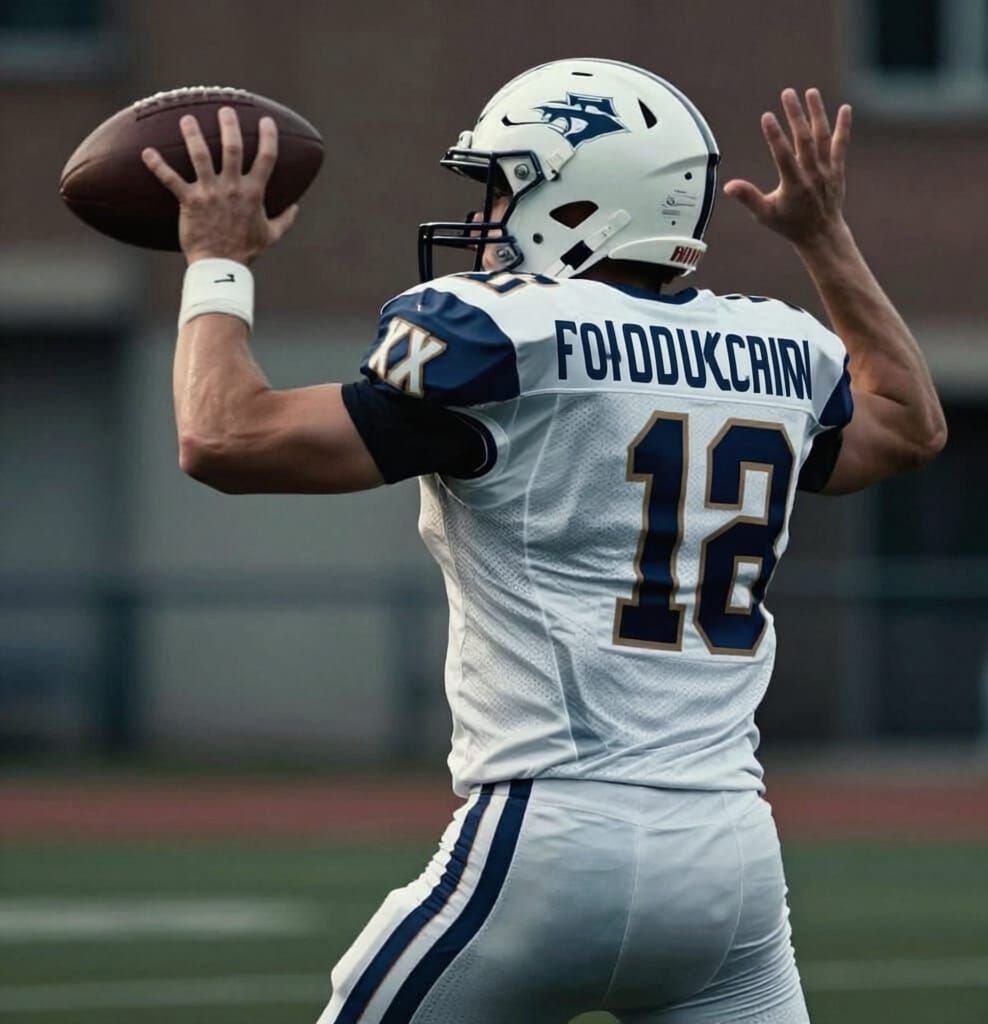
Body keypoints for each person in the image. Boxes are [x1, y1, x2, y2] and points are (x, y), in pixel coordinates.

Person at [143, 59, 945, 1024]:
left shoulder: (507, 333)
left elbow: (224, 436)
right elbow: (909, 424)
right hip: (730, 859)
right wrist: (824, 238)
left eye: (505, 187)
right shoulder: (779, 351)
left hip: (551, 837)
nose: (485, 223)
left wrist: (215, 260)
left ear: (578, 204)